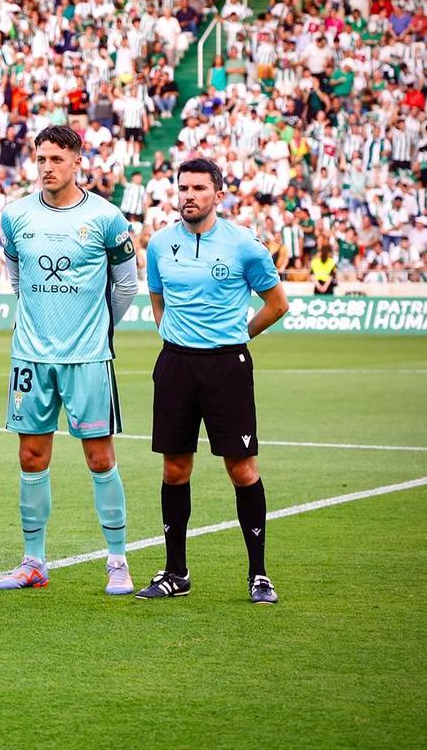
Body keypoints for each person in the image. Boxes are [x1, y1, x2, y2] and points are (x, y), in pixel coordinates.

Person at [0, 124, 140, 593]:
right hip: (31, 356)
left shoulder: (107, 217)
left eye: (57, 159)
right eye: (41, 159)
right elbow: (17, 276)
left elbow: (126, 285)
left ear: (78, 162)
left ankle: (117, 560)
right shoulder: (15, 216)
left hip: (88, 358)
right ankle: (33, 561)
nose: (48, 168)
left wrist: (97, 328)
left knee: (99, 457)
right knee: (31, 456)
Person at [137, 158, 289, 605]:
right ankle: (175, 572)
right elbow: (157, 299)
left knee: (242, 469)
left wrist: (239, 336)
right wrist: (172, 337)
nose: (189, 196)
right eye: (183, 188)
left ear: (218, 195)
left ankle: (259, 575)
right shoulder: (161, 244)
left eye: (199, 188)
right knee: (174, 469)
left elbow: (277, 303)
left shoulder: (244, 245)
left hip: (227, 367)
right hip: (176, 366)